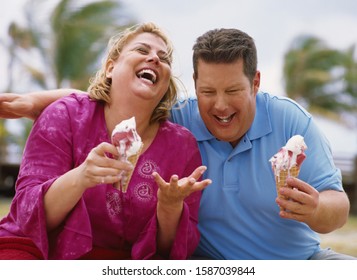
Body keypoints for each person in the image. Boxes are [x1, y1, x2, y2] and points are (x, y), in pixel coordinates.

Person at [0, 27, 354, 260]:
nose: (219, 105)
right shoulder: (184, 119)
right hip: (211, 267)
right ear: (195, 86)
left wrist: (315, 210)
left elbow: (337, 205)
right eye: (208, 92)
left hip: (300, 260)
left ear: (255, 82)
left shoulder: (289, 120)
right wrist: (37, 103)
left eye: (233, 91)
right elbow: (106, 104)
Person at [0, 22, 212, 260]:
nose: (154, 58)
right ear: (111, 67)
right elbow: (27, 215)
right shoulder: (64, 115)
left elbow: (166, 255)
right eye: (142, 50)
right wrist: (81, 178)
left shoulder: (181, 146)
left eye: (163, 58)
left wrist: (170, 208)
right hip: (35, 249)